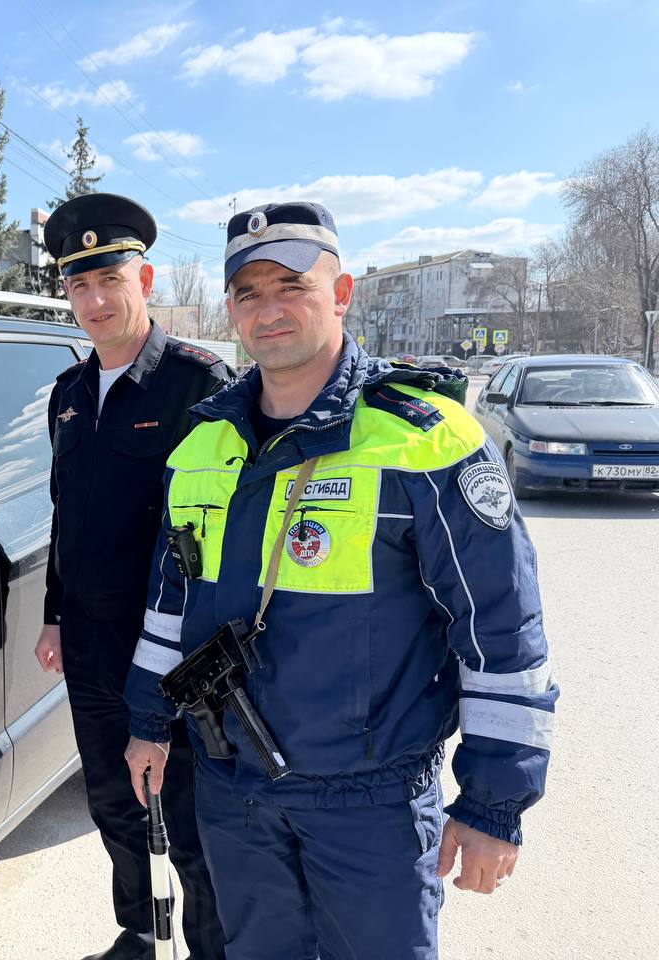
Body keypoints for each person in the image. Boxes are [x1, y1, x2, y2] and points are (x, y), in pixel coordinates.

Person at [123, 201, 558, 959]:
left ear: (343, 292)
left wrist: (492, 803)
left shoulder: (423, 438)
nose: (269, 310)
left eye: (292, 285)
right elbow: (171, 604)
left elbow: (499, 629)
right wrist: (147, 722)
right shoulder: (202, 445)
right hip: (235, 794)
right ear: (230, 310)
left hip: (372, 807)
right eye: (249, 294)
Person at [37, 192, 230, 960]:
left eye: (108, 279)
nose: (94, 300)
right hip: (89, 644)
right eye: (78, 286)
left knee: (186, 819)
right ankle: (140, 937)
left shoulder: (197, 384)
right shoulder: (70, 394)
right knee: (114, 804)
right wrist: (54, 613)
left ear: (142, 278)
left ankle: (210, 947)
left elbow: (221, 532)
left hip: (173, 652)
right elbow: (65, 517)